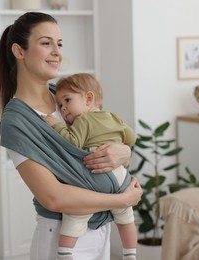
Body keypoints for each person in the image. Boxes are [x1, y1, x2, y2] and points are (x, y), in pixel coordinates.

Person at [0, 12, 142, 260]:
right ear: (19, 51)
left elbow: (107, 141)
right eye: (46, 43)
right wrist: (122, 199)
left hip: (101, 228)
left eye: (59, 44)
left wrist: (124, 151)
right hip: (61, 238)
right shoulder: (17, 121)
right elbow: (53, 197)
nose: (57, 52)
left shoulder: (66, 95)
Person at [42, 73, 138, 260]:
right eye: (60, 105)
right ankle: (130, 253)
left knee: (77, 211)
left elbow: (72, 142)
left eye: (67, 100)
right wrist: (122, 147)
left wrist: (57, 126)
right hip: (121, 176)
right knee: (126, 216)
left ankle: (65, 252)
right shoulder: (113, 117)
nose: (63, 109)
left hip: (97, 174)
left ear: (89, 98)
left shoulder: (83, 120)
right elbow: (131, 137)